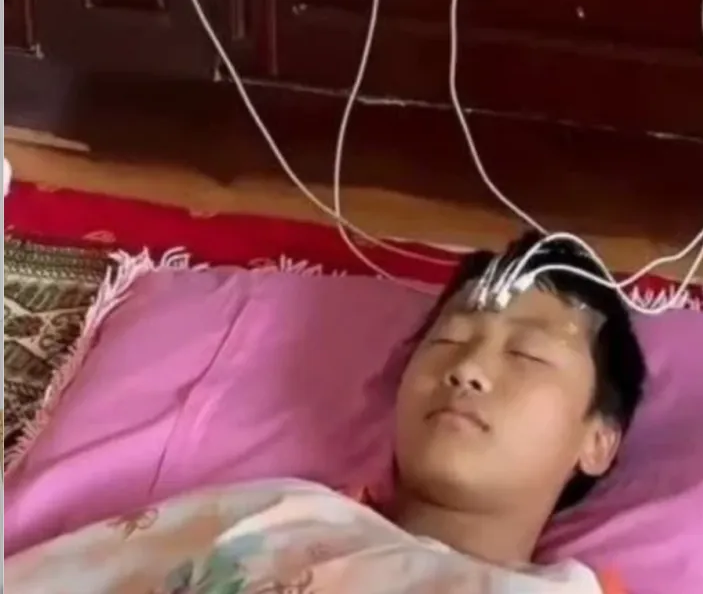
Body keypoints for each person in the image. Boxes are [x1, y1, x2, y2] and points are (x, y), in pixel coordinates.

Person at [7, 233, 647, 594]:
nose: (468, 369)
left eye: (527, 355)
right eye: (448, 341)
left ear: (598, 440)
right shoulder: (270, 515)